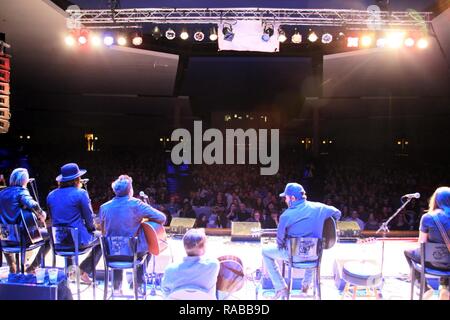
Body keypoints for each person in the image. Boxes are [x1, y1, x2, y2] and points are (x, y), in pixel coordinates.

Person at [262, 182, 341, 300]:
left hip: (294, 257)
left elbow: (280, 241)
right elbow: (337, 213)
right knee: (311, 248)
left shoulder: (286, 215)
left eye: (286, 198)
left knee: (265, 252)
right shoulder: (320, 208)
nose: (285, 200)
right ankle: (305, 286)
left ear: (293, 198)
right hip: (315, 256)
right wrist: (324, 225)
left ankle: (281, 288)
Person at [99, 175, 166, 295]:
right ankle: (139, 284)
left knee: (117, 242)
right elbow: (162, 218)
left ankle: (116, 286)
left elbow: (103, 231)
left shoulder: (103, 207)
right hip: (132, 254)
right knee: (148, 246)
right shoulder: (136, 204)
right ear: (130, 190)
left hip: (111, 254)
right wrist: (145, 220)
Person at [47, 163, 101, 284]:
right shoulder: (81, 193)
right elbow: (89, 221)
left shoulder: (50, 195)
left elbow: (53, 218)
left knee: (67, 234)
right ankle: (82, 271)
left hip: (58, 242)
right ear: (77, 179)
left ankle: (72, 273)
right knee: (102, 239)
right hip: (77, 242)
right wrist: (93, 229)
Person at [0, 168, 50, 273]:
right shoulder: (21, 191)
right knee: (50, 236)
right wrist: (42, 214)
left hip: (4, 238)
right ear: (24, 181)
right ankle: (32, 268)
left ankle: (12, 267)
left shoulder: (2, 193)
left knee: (5, 233)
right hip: (21, 238)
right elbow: (33, 205)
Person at [404, 186, 450, 300]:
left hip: (431, 262)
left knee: (407, 252)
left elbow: (422, 243)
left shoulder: (427, 217)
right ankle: (445, 288)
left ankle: (424, 287)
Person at [161, 228, 220, 298]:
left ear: (184, 246)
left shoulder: (170, 269)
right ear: (203, 247)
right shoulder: (213, 265)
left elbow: (165, 293)